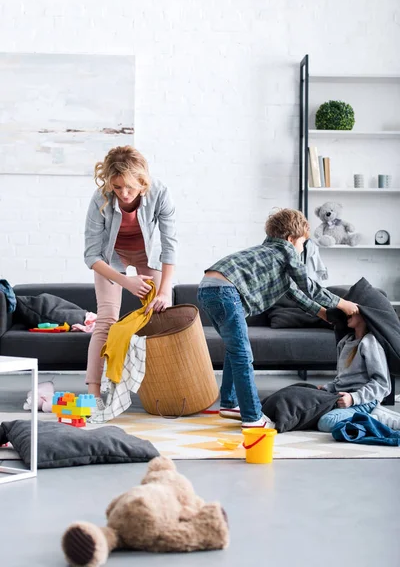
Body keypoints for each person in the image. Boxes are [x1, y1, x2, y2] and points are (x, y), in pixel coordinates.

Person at [197, 208, 359, 429]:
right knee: (243, 355)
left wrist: (323, 314)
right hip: (225, 291)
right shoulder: (286, 252)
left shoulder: (268, 254)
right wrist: (343, 303)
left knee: (234, 350)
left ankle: (229, 402)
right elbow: (308, 287)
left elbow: (294, 293)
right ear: (291, 239)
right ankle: (253, 417)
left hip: (208, 288)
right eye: (302, 243)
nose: (302, 249)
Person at [84, 146, 177, 406]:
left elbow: (170, 245)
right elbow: (91, 256)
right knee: (106, 320)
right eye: (117, 187)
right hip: (111, 256)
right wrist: (125, 281)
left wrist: (165, 291)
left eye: (130, 187)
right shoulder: (100, 198)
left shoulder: (160, 193)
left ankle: (165, 387)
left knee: (160, 315)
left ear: (142, 182)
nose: (124, 195)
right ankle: (93, 392)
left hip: (148, 255)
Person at [317, 312, 392, 432]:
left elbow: (382, 384)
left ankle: (377, 418)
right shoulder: (345, 342)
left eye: (351, 311)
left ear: (364, 315)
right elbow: (343, 379)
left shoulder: (370, 342)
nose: (347, 314)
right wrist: (327, 388)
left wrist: (353, 398)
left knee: (327, 422)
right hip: (344, 400)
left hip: (365, 402)